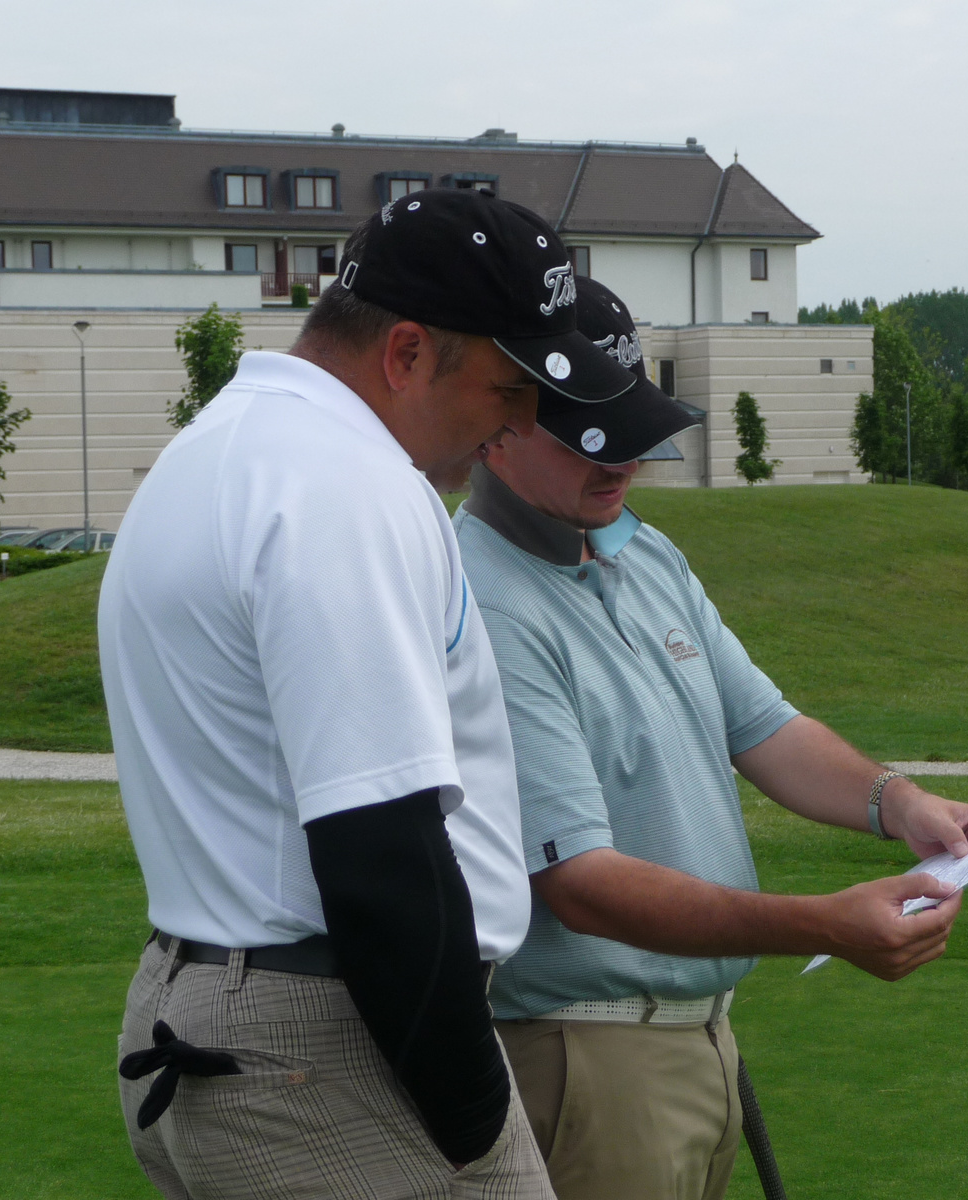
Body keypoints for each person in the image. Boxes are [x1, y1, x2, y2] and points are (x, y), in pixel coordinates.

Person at [99, 190, 636, 1200]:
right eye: (506, 385)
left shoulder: (214, 448)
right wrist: (477, 1126)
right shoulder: (347, 483)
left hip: (205, 1005)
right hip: (331, 1049)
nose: (519, 422)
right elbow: (379, 848)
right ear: (405, 353)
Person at [452, 276, 968, 1200]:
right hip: (585, 1053)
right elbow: (581, 887)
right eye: (589, 433)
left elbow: (763, 726)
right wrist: (823, 923)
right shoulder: (485, 600)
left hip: (698, 1038)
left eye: (629, 426)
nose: (621, 459)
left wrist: (898, 802)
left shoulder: (642, 550)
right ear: (500, 423)